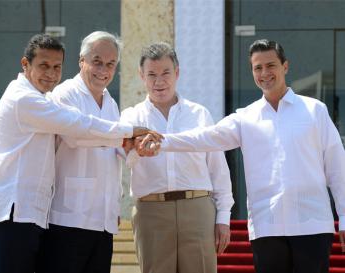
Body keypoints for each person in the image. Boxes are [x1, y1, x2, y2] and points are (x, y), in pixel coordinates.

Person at [141, 39, 345, 273]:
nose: (265, 73)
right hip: (267, 227)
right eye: (258, 68)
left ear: (285, 67)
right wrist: (162, 141)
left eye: (271, 65)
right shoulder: (245, 117)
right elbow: (204, 137)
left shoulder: (315, 110)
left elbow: (337, 167)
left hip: (313, 225)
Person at [0, 33, 159, 273]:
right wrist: (130, 131)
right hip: (19, 212)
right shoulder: (29, 99)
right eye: (43, 65)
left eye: (56, 67)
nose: (51, 73)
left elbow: (110, 149)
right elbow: (78, 130)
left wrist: (131, 148)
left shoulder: (106, 103)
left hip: (37, 213)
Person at [120, 42, 234, 273]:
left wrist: (223, 216)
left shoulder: (199, 114)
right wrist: (135, 152)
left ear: (177, 73)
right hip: (151, 212)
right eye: (151, 74)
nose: (159, 81)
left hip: (198, 208)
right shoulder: (130, 117)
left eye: (165, 73)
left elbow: (218, 168)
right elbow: (121, 161)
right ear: (142, 76)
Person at [40, 31, 130, 273]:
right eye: (97, 61)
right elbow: (76, 136)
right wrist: (125, 136)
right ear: (82, 61)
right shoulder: (64, 94)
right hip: (68, 219)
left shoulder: (110, 103)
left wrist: (113, 204)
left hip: (102, 222)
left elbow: (114, 155)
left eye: (110, 64)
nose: (104, 69)